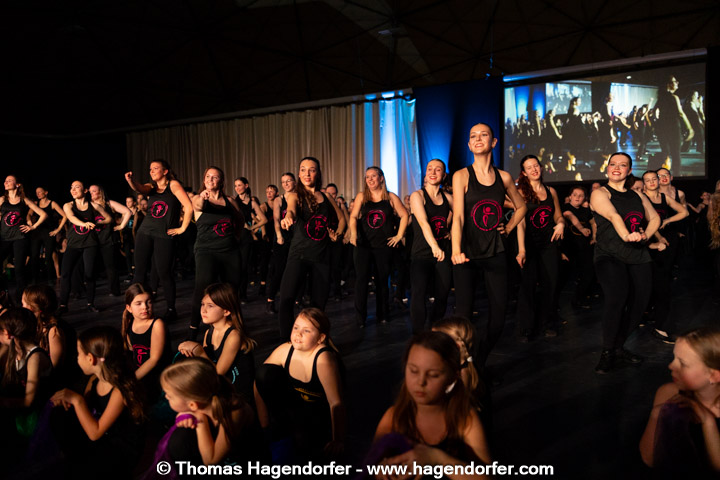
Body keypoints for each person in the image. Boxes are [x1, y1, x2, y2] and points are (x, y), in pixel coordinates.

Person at [451, 123, 526, 367]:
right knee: (463, 316)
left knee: (499, 316)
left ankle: (479, 363)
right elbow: (458, 216)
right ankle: (463, 366)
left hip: (495, 251)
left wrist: (509, 227)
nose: (478, 138)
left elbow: (521, 206)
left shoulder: (504, 177)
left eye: (484, 135)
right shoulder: (462, 175)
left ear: (493, 142)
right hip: (467, 253)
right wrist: (456, 250)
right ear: (469, 144)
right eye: (473, 136)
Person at [371, 331, 491, 478]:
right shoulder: (394, 416)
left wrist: (437, 458)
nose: (421, 381)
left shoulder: (464, 419)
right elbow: (371, 468)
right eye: (414, 371)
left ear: (453, 377)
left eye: (433, 375)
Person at [589, 152, 660, 374]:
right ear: (607, 168)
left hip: (637, 255)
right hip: (609, 255)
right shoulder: (600, 193)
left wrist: (646, 236)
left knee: (641, 303)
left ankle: (618, 347)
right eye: (613, 164)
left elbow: (655, 218)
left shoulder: (637, 195)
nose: (617, 168)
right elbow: (613, 216)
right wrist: (626, 235)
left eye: (623, 165)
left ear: (629, 171)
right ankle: (607, 352)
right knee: (617, 297)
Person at [50, 326, 145, 479]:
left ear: (90, 359)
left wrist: (77, 400)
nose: (77, 358)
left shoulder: (119, 392)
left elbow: (95, 433)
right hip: (103, 438)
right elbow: (86, 412)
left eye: (79, 354)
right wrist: (68, 403)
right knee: (59, 416)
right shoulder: (94, 381)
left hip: (119, 448)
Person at [254, 308, 344, 461]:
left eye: (306, 330)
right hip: (293, 414)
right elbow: (258, 382)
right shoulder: (285, 350)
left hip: (316, 419)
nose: (298, 334)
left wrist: (338, 440)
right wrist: (264, 425)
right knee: (264, 372)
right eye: (296, 327)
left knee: (304, 449)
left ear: (320, 338)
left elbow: (336, 403)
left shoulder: (323, 358)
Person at [277, 157, 346, 339]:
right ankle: (286, 342)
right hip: (299, 255)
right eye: (303, 169)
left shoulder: (326, 197)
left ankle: (312, 341)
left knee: (318, 305)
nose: (307, 174)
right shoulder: (295, 196)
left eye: (312, 170)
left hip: (321, 256)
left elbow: (342, 219)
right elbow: (291, 210)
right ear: (299, 174)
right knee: (286, 299)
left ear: (318, 173)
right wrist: (288, 218)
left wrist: (337, 234)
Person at [153, 357, 263, 468]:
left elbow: (211, 460)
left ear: (193, 405)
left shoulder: (233, 411)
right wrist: (184, 416)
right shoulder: (202, 402)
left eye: (170, 396)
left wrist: (200, 421)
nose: (166, 397)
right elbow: (180, 416)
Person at [639, 326, 720, 478]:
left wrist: (708, 421)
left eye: (682, 363)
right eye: (674, 358)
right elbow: (650, 459)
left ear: (714, 376)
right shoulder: (668, 392)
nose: (671, 366)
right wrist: (657, 414)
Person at [125, 159, 193, 321]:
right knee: (139, 272)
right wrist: (131, 180)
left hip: (164, 235)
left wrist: (182, 228)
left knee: (164, 273)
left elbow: (189, 206)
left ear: (165, 171)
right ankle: (133, 309)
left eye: (156, 168)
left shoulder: (173, 185)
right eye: (150, 169)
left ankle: (171, 309)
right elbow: (139, 188)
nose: (152, 171)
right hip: (145, 232)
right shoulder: (151, 187)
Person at [348, 166, 409, 327]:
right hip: (364, 245)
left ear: (381, 178)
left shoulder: (390, 197)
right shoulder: (362, 196)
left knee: (382, 281)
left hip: (383, 246)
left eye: (373, 176)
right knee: (361, 281)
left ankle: (382, 314)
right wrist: (353, 234)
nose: (370, 179)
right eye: (367, 177)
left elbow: (404, 215)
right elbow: (353, 217)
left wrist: (399, 235)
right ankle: (360, 319)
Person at [188, 167, 243, 341]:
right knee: (202, 288)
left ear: (222, 181)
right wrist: (203, 197)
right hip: (206, 251)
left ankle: (235, 327)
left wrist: (236, 237)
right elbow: (198, 205)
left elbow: (240, 219)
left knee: (231, 291)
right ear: (204, 180)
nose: (210, 179)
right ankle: (193, 330)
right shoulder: (198, 198)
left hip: (229, 251)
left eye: (215, 177)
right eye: (208, 176)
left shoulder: (230, 201)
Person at [514, 154, 565, 340]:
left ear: (541, 168)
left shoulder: (551, 191)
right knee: (527, 286)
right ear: (524, 173)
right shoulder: (520, 193)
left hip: (548, 244)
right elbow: (520, 223)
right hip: (529, 244)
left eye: (536, 165)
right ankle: (526, 327)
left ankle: (546, 324)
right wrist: (521, 249)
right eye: (529, 167)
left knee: (550, 284)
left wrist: (561, 224)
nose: (534, 169)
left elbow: (558, 215)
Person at [178, 283, 256, 403]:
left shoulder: (234, 336)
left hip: (238, 397)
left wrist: (199, 351)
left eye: (210, 306)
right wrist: (187, 351)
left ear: (226, 311)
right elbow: (206, 365)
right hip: (220, 391)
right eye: (202, 304)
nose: (203, 310)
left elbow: (218, 373)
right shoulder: (209, 333)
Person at [641, 170, 689, 344]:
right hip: (649, 242)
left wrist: (667, 221)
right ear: (644, 183)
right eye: (648, 180)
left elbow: (684, 212)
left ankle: (660, 325)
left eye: (654, 179)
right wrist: (658, 237)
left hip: (665, 243)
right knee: (649, 283)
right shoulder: (641, 198)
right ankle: (648, 316)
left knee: (663, 284)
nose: (652, 182)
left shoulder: (664, 197)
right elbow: (648, 222)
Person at [409, 159, 453, 333]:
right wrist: (434, 246)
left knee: (443, 294)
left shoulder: (448, 198)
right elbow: (423, 222)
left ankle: (434, 329)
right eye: (430, 169)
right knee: (419, 294)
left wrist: (451, 230)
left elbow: (461, 216)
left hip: (442, 252)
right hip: (422, 253)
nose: (433, 172)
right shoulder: (417, 196)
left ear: (444, 175)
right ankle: (419, 334)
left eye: (438, 169)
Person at [0, 307, 54, 444]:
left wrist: (2, 402)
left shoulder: (35, 357)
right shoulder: (12, 349)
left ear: (7, 333)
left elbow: (28, 401)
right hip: (20, 415)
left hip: (37, 420)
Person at [58, 181, 112, 314]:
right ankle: (63, 305)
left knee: (89, 274)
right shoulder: (68, 205)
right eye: (71, 187)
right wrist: (84, 224)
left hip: (90, 244)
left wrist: (99, 223)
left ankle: (90, 304)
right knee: (65, 274)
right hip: (73, 244)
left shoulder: (93, 205)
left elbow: (109, 218)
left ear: (85, 190)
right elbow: (71, 218)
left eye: (77, 187)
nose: (73, 190)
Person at [0, 176, 48, 302]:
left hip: (19, 237)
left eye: (9, 180)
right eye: (5, 181)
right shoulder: (2, 199)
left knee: (19, 269)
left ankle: (21, 299)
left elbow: (43, 214)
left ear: (17, 184)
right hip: (4, 237)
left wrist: (32, 227)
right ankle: (3, 294)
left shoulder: (24, 200)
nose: (6, 182)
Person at [22, 284, 80, 388]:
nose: (22, 308)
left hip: (59, 383)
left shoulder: (54, 331)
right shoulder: (36, 325)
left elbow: (54, 367)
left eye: (23, 304)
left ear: (31, 308)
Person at [121, 283, 171, 401]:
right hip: (141, 374)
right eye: (138, 303)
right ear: (129, 308)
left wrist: (132, 380)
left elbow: (154, 359)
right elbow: (132, 353)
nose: (145, 307)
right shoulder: (129, 323)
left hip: (158, 377)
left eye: (148, 302)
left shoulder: (157, 324)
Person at [88, 185, 132, 297]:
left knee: (110, 266)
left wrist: (121, 226)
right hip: (93, 239)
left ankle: (114, 290)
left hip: (108, 239)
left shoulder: (109, 203)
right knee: (90, 266)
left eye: (94, 191)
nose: (91, 193)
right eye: (90, 191)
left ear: (100, 192)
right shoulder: (88, 205)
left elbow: (127, 212)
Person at [233, 177, 267, 302]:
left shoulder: (252, 203)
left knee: (243, 267)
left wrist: (251, 227)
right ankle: (233, 294)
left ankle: (242, 295)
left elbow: (264, 219)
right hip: (234, 236)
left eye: (239, 185)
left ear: (246, 186)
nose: (237, 188)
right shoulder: (233, 201)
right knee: (234, 267)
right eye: (235, 185)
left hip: (245, 238)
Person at [562, 186, 597, 309]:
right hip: (570, 247)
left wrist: (594, 237)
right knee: (566, 276)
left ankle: (578, 299)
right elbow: (571, 216)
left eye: (581, 196)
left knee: (587, 273)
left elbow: (593, 223)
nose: (577, 197)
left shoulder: (586, 211)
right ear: (570, 196)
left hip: (584, 247)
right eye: (575, 195)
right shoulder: (566, 208)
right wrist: (581, 229)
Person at [266, 173, 296, 314]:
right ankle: (270, 300)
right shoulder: (279, 200)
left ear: (294, 182)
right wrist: (279, 235)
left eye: (288, 181)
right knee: (279, 270)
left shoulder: (299, 197)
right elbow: (277, 219)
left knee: (295, 269)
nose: (286, 184)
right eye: (283, 182)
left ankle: (297, 299)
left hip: (297, 238)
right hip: (282, 237)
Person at [654, 76, 694, 173]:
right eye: (675, 81)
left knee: (666, 154)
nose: (677, 83)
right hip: (674, 128)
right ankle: (677, 175)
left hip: (662, 129)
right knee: (676, 155)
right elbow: (681, 113)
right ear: (668, 84)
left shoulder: (661, 98)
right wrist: (690, 128)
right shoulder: (674, 97)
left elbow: (654, 112)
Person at [29, 187, 67, 284]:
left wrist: (58, 229)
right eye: (36, 192)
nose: (38, 194)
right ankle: (34, 279)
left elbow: (65, 216)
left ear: (46, 192)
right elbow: (29, 214)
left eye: (40, 192)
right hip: (37, 232)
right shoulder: (35, 204)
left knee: (48, 257)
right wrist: (29, 221)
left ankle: (50, 279)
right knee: (34, 256)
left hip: (48, 232)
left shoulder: (52, 203)